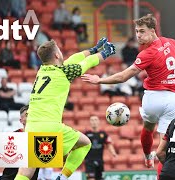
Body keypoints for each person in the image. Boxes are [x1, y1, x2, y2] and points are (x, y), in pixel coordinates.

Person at [82, 14, 175, 175]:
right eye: (137, 31)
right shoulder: (170, 42)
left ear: (153, 31)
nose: (138, 35)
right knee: (165, 147)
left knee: (148, 128)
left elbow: (124, 76)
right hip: (173, 99)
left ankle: (146, 156)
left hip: (153, 98)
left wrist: (99, 80)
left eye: (142, 31)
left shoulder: (147, 54)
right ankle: (168, 172)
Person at [14, 37, 116, 180]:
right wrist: (105, 53)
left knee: (25, 173)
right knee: (85, 144)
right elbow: (86, 63)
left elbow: (73, 59)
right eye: (60, 51)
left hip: (31, 126)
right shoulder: (64, 72)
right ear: (56, 55)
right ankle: (62, 177)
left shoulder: (43, 70)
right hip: (50, 126)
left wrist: (93, 50)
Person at [0, 105, 40, 180]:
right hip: (9, 178)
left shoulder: (41, 138)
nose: (30, 117)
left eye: (32, 115)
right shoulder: (12, 137)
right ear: (21, 120)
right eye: (27, 115)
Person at [84, 115, 117, 180]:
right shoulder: (86, 134)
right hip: (89, 162)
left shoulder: (103, 134)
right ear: (90, 122)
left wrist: (113, 153)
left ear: (99, 122)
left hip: (100, 161)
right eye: (92, 120)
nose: (94, 122)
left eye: (95, 120)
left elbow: (109, 144)